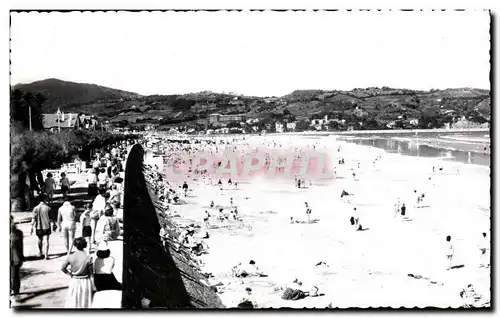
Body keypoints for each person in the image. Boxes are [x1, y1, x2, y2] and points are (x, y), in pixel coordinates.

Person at [61, 237, 93, 308]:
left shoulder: (70, 257)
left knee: (74, 302)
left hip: (74, 281)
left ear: (75, 246)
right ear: (85, 245)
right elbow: (91, 273)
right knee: (85, 302)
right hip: (85, 282)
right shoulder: (88, 258)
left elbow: (63, 268)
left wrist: (70, 274)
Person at [31, 195, 53, 259]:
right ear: (45, 200)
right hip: (46, 226)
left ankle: (40, 252)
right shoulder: (48, 208)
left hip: (38, 227)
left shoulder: (35, 208)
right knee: (46, 240)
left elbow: (33, 219)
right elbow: (51, 218)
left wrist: (31, 227)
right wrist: (54, 224)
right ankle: (46, 254)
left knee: (39, 239)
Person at [10, 215, 24, 305]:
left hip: (15, 257)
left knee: (15, 276)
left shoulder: (18, 233)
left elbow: (20, 246)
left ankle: (16, 293)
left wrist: (22, 256)